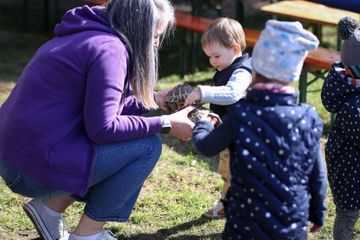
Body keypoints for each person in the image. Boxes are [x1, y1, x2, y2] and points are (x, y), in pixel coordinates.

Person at [0, 1, 196, 240]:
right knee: (147, 147)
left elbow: (104, 107)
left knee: (123, 145)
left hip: (18, 156)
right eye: (154, 35)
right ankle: (88, 235)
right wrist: (166, 123)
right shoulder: (110, 50)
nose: (156, 43)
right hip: (30, 168)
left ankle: (49, 209)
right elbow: (104, 128)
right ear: (138, 27)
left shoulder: (89, 34)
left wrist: (156, 99)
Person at [192, 20, 327, 239]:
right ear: (294, 72)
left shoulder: (240, 115)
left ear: (257, 68)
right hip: (291, 224)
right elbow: (317, 174)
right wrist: (318, 212)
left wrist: (203, 123)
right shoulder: (308, 117)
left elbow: (206, 147)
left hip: (245, 223)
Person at [183, 17, 252, 219]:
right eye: (209, 57)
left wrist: (202, 91)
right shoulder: (226, 66)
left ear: (235, 48)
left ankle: (232, 206)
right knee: (231, 173)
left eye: (216, 56)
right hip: (229, 134)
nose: (212, 62)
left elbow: (232, 94)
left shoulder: (242, 72)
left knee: (232, 173)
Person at [321, 16, 360, 240]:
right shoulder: (353, 103)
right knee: (347, 217)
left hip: (349, 169)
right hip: (351, 173)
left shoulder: (348, 86)